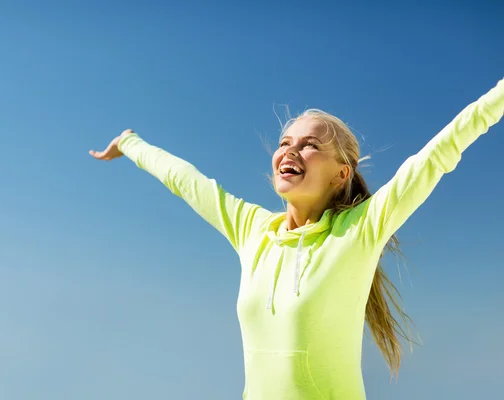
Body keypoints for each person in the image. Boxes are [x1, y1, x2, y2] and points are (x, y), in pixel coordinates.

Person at [89, 78, 504, 400]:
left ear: (341, 173)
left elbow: (438, 154)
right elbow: (185, 180)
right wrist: (130, 143)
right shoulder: (252, 229)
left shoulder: (360, 230)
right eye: (285, 143)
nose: (290, 151)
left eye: (310, 147)